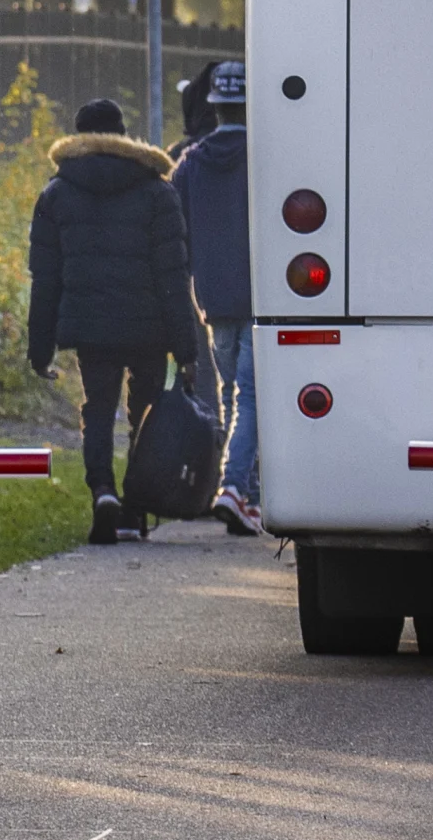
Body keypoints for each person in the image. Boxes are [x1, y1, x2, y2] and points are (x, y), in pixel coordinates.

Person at [27, 96, 204, 545]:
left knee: (98, 409)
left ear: (78, 136)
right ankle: (135, 506)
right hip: (149, 327)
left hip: (91, 326)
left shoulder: (56, 193)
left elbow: (45, 279)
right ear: (123, 136)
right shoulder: (156, 192)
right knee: (144, 414)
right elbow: (172, 277)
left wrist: (39, 348)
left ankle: (102, 492)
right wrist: (187, 351)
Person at [168, 60, 261, 534]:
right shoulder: (267, 158)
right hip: (262, 297)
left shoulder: (190, 164)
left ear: (213, 105)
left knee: (232, 393)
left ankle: (250, 499)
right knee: (252, 398)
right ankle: (234, 487)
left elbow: (174, 234)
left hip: (213, 299)